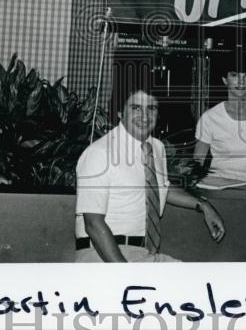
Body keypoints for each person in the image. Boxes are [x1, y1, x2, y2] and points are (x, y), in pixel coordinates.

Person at [74, 84, 225, 262]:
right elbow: (93, 224)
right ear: (120, 113)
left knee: (197, 280)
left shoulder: (156, 147)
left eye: (151, 108)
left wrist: (203, 205)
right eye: (136, 108)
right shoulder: (100, 153)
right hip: (103, 255)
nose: (145, 117)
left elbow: (160, 188)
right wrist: (125, 275)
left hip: (143, 253)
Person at [193, 68, 246, 186]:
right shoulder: (209, 117)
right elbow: (197, 162)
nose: (241, 81)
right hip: (218, 190)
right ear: (225, 80)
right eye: (234, 75)